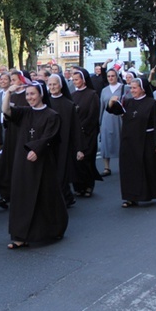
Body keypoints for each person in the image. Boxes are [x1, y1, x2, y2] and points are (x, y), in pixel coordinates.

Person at [4, 81, 68, 249]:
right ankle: (19, 236)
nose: (29, 98)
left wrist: (37, 150)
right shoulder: (25, 113)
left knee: (44, 197)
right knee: (21, 197)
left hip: (42, 163)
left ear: (40, 94)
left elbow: (49, 137)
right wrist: (8, 93)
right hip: (23, 162)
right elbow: (6, 111)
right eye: (27, 95)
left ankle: (53, 229)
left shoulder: (52, 115)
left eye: (32, 94)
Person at [106, 78, 156, 207]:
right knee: (130, 170)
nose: (132, 90)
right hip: (129, 142)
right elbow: (115, 111)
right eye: (131, 88)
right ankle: (131, 197)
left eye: (135, 88)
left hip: (147, 141)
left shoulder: (152, 104)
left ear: (143, 89)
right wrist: (111, 103)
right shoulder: (128, 102)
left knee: (152, 169)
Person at [47, 74, 84, 207]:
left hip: (64, 144)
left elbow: (76, 128)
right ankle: (65, 197)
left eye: (55, 84)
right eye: (50, 85)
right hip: (48, 144)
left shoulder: (69, 105)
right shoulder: (45, 103)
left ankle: (63, 199)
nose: (52, 87)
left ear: (61, 86)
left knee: (62, 172)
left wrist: (79, 148)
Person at [0, 71, 29, 208]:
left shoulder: (29, 94)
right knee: (8, 164)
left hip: (23, 134)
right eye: (12, 80)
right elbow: (5, 112)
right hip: (11, 133)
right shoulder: (12, 96)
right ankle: (5, 194)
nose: (13, 82)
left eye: (15, 79)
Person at [71, 68, 102, 197]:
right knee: (76, 161)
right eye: (73, 80)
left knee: (87, 159)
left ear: (84, 80)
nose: (74, 82)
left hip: (88, 133)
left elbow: (93, 115)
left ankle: (89, 185)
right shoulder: (72, 96)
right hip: (75, 134)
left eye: (77, 79)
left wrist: (83, 128)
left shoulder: (92, 94)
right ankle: (79, 186)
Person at [98, 69, 124, 176]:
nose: (111, 78)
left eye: (113, 76)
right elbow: (102, 107)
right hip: (107, 118)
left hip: (119, 118)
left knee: (121, 141)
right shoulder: (104, 90)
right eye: (108, 76)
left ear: (117, 76)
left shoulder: (123, 88)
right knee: (106, 141)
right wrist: (99, 122)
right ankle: (106, 167)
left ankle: (123, 165)